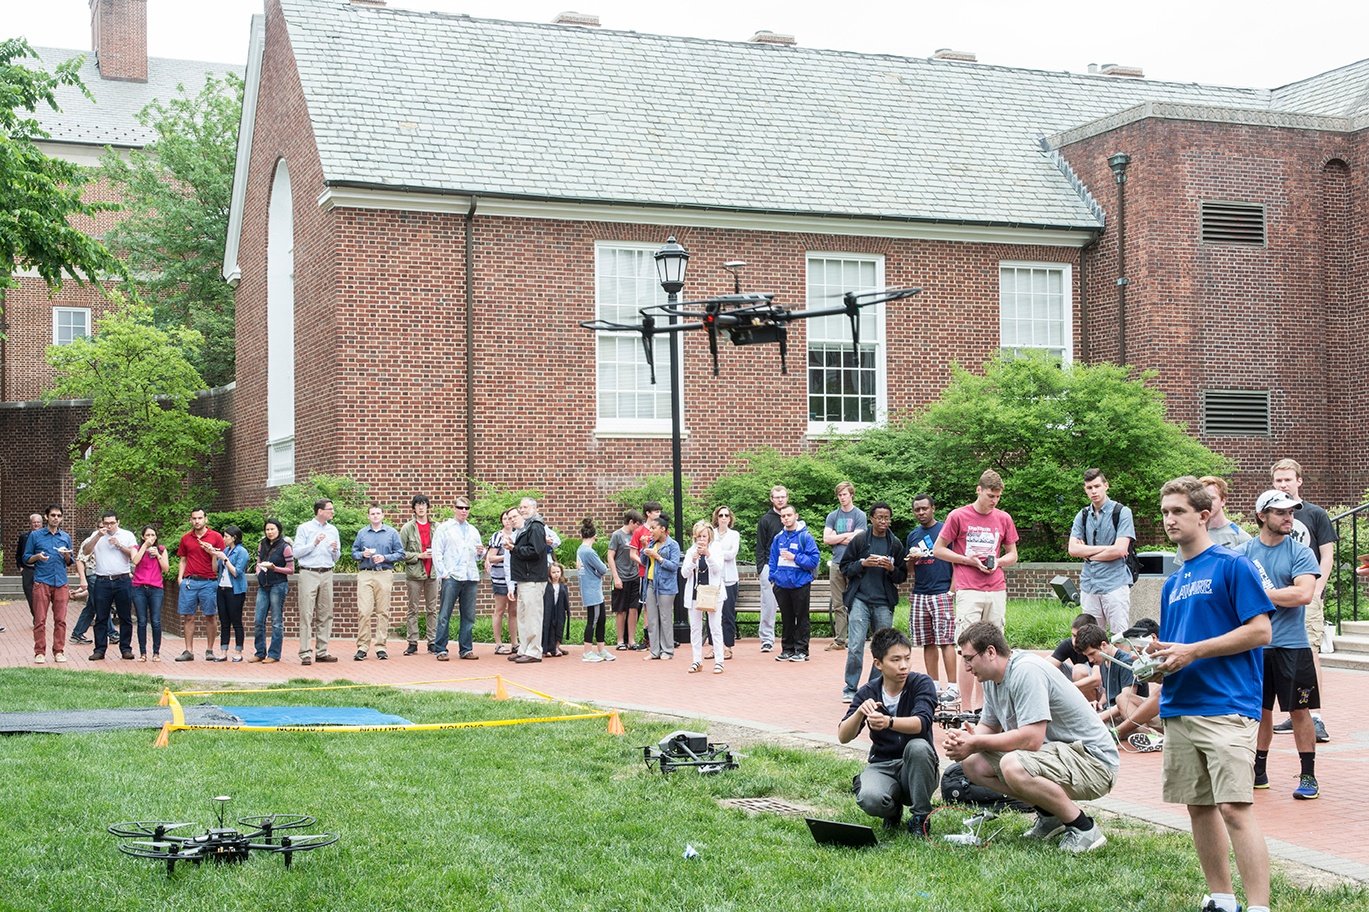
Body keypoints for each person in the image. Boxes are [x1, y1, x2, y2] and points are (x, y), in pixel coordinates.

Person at [1151, 476, 1273, 912]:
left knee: (1235, 809)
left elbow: (1261, 630)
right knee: (1198, 808)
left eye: (1178, 511)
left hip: (1226, 706)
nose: (1169, 520)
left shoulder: (1231, 565)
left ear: (1203, 515)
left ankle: (1258, 906)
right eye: (1165, 512)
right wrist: (1159, 654)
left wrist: (1193, 650)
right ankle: (1222, 899)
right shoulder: (1172, 583)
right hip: (1180, 705)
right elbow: (1180, 643)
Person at [945, 621, 1119, 854]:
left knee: (1013, 765)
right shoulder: (991, 680)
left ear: (990, 652)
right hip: (1060, 755)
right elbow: (988, 726)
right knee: (974, 764)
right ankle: (1051, 817)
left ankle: (1084, 829)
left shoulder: (1026, 670)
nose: (966, 667)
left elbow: (1031, 739)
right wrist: (966, 741)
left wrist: (976, 742)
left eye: (969, 658)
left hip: (1094, 763)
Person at [1239, 490, 1322, 800]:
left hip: (1292, 646)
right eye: (1281, 512)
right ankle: (1258, 771)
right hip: (1254, 646)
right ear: (1262, 516)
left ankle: (1309, 776)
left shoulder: (1301, 553)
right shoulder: (1243, 552)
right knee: (1258, 711)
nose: (1289, 517)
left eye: (1292, 512)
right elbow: (1231, 597)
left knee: (1300, 711)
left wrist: (1256, 594)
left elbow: (1302, 595)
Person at [838, 627, 939, 835]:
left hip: (918, 767)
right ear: (878, 664)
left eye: (907, 658)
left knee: (918, 747)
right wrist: (859, 714)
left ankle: (921, 818)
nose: (904, 666)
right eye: (895, 660)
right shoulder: (868, 691)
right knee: (869, 798)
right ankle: (892, 812)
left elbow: (922, 722)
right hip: (882, 764)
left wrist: (888, 722)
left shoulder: (921, 683)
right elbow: (843, 736)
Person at [933, 469, 1019, 708]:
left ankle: (986, 707)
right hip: (969, 588)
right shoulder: (958, 516)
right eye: (990, 495)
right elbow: (939, 550)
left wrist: (998, 561)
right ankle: (967, 708)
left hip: (996, 587)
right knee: (968, 649)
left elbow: (1013, 554)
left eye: (998, 497)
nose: (994, 501)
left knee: (993, 650)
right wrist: (968, 560)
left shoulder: (1003, 518)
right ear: (978, 490)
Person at [1269, 458, 1336, 744]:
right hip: (1276, 599)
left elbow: (1327, 554)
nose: (1284, 484)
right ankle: (1294, 710)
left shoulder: (1314, 514)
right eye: (1279, 480)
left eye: (1288, 480)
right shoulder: (1270, 513)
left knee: (1308, 652)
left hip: (1305, 595)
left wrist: (1317, 589)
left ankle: (1316, 716)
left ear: (1299, 481)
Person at [839, 502, 906, 701]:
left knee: (883, 648)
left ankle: (874, 687)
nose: (883, 521)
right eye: (879, 517)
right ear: (871, 519)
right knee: (856, 645)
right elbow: (845, 567)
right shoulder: (860, 540)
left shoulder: (895, 544)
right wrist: (862, 564)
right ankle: (850, 688)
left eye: (886, 518)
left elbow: (902, 575)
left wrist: (891, 569)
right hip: (860, 598)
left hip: (884, 601)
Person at [1067, 468, 1136, 634]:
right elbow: (1073, 549)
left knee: (1120, 637)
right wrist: (1106, 549)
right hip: (1089, 585)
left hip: (1115, 583)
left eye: (1097, 486)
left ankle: (1120, 662)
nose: (1094, 491)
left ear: (1106, 486)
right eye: (1089, 488)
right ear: (1085, 490)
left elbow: (1120, 550)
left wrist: (1087, 553)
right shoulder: (1082, 515)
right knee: (1091, 639)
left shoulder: (1122, 512)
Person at [905, 494, 956, 700]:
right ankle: (933, 685)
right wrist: (911, 559)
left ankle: (953, 687)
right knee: (927, 641)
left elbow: (956, 563)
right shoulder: (913, 535)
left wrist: (952, 591)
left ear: (933, 508)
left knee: (946, 641)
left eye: (924, 508)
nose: (921, 513)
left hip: (942, 591)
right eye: (917, 510)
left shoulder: (945, 531)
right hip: (920, 593)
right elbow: (909, 569)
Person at [81, 511, 138, 661]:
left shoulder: (127, 535)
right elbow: (86, 552)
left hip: (123, 579)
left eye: (112, 523)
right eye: (106, 523)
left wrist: (119, 545)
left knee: (125, 616)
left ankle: (126, 649)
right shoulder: (96, 535)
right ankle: (99, 649)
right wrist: (98, 536)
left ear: (118, 522)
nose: (109, 526)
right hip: (102, 580)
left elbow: (133, 555)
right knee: (101, 617)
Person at [432, 497, 483, 662]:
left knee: (468, 615)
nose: (464, 511)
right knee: (445, 614)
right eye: (460, 507)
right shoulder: (445, 528)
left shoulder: (473, 530)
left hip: (470, 576)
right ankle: (440, 648)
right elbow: (437, 552)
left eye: (467, 508)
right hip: (452, 576)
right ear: (454, 508)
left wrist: (480, 553)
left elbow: (478, 556)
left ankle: (466, 649)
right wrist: (444, 573)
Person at [352, 504, 405, 661]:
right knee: (364, 611)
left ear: (382, 516)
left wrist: (385, 557)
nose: (375, 516)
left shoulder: (391, 533)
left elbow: (401, 553)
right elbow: (353, 553)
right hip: (365, 574)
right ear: (368, 516)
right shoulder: (362, 533)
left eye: (378, 513)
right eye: (372, 514)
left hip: (384, 573)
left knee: (383, 612)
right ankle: (362, 646)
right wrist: (363, 553)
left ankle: (381, 646)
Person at [23, 503, 74, 663]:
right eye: (53, 515)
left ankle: (58, 651)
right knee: (40, 619)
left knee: (61, 619)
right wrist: (38, 557)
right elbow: (26, 558)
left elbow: (69, 561)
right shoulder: (36, 536)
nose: (56, 518)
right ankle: (40, 652)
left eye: (59, 516)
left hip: (60, 581)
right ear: (47, 517)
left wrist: (66, 555)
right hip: (42, 581)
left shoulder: (65, 537)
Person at [769, 504, 820, 663]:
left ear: (796, 516)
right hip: (782, 585)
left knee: (802, 618)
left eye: (789, 515)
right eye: (783, 516)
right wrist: (773, 578)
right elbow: (772, 559)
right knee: (786, 618)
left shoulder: (805, 537)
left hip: (800, 584)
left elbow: (814, 560)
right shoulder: (778, 538)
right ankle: (787, 649)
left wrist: (795, 557)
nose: (786, 518)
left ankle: (802, 650)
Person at [293, 499, 341, 665]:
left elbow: (337, 557)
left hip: (327, 572)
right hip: (309, 573)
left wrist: (335, 550)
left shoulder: (333, 530)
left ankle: (322, 651)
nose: (332, 512)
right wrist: (314, 543)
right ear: (320, 511)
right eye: (330, 509)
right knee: (306, 613)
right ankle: (305, 653)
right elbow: (297, 552)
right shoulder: (305, 528)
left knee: (326, 613)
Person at [175, 507, 225, 663]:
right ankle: (188, 651)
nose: (197, 521)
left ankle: (209, 650)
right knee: (188, 617)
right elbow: (183, 559)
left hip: (209, 582)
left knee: (210, 616)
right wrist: (180, 578)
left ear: (206, 519)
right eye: (194, 518)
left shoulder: (216, 537)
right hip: (190, 581)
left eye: (200, 518)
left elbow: (222, 558)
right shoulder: (186, 538)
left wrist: (212, 552)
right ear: (191, 520)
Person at [822, 481, 867, 651]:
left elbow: (858, 540)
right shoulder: (833, 516)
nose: (842, 498)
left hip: (854, 563)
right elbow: (826, 539)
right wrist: (848, 536)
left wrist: (838, 536)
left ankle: (856, 638)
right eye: (840, 495)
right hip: (836, 563)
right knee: (838, 603)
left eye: (845, 494)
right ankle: (840, 640)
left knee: (856, 601)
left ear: (851, 495)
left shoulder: (860, 515)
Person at [509, 497, 552, 664]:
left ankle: (534, 651)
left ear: (534, 508)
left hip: (532, 578)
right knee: (523, 615)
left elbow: (535, 551)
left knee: (532, 616)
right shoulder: (528, 526)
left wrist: (515, 548)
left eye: (525, 507)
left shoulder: (536, 527)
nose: (522, 510)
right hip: (524, 577)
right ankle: (524, 649)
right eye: (521, 507)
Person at [682, 520, 726, 675]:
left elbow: (718, 570)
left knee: (715, 627)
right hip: (695, 593)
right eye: (698, 536)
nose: (701, 539)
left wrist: (708, 555)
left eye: (704, 536)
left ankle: (719, 661)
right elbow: (684, 573)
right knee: (695, 628)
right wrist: (693, 561)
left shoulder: (716, 549)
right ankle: (696, 660)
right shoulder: (690, 551)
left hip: (712, 593)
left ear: (709, 537)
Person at [399, 495, 440, 656]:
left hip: (433, 572)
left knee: (432, 609)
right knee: (413, 608)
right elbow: (400, 552)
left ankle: (432, 641)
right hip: (415, 573)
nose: (421, 508)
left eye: (423, 504)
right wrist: (418, 556)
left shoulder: (436, 526)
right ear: (414, 508)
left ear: (428, 507)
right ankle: (412, 642)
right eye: (418, 505)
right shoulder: (407, 528)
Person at [250, 519, 293, 664]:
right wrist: (258, 570)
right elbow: (258, 561)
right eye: (267, 529)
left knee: (276, 621)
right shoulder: (262, 544)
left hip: (278, 585)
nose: (269, 532)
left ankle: (274, 654)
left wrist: (275, 568)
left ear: (279, 530)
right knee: (258, 620)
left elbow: (291, 569)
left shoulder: (285, 547)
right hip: (263, 585)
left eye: (272, 529)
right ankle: (260, 652)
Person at [640, 513, 681, 660]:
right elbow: (643, 561)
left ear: (662, 529)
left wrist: (658, 557)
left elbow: (674, 566)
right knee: (652, 618)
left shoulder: (673, 545)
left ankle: (667, 650)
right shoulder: (651, 543)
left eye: (653, 528)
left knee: (665, 618)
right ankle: (654, 651)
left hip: (666, 586)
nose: (650, 531)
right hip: (651, 584)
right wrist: (644, 547)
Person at [754, 486, 788, 653]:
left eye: (782, 497)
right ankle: (767, 639)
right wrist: (761, 569)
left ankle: (792, 638)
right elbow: (760, 546)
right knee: (768, 604)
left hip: (789, 568)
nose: (780, 499)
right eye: (777, 497)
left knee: (791, 604)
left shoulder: (792, 518)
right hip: (770, 566)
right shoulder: (766, 520)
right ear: (772, 499)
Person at [212, 525, 251, 662]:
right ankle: (223, 651)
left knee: (236, 621)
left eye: (226, 536)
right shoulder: (226, 550)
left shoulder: (242, 552)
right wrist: (214, 555)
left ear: (234, 537)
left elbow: (237, 572)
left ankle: (238, 651)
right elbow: (215, 569)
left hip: (235, 590)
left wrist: (225, 559)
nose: (224, 539)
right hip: (221, 588)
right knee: (224, 621)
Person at [577, 519, 614, 663]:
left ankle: (601, 649)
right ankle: (587, 652)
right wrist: (599, 572)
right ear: (595, 535)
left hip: (591, 589)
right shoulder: (589, 551)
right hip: (592, 590)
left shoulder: (581, 549)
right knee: (593, 621)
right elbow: (603, 569)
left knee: (601, 619)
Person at [130, 526, 169, 662]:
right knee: (141, 621)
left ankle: (156, 652)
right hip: (139, 587)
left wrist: (157, 555)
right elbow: (135, 561)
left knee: (156, 621)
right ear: (142, 537)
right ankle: (142, 653)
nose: (150, 537)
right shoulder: (136, 547)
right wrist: (144, 547)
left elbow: (166, 568)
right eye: (147, 535)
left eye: (153, 535)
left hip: (156, 588)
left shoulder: (162, 549)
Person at [607, 510, 643, 651]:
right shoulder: (617, 535)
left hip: (634, 575)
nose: (639, 528)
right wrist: (616, 577)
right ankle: (620, 640)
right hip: (621, 576)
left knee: (633, 608)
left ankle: (631, 640)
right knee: (620, 610)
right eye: (637, 524)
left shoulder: (637, 536)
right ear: (631, 522)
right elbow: (610, 556)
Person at [486, 508, 519, 655]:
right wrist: (505, 556)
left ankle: (515, 643)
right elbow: (490, 557)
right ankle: (498, 644)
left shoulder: (518, 534)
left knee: (514, 611)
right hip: (500, 578)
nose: (508, 521)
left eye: (510, 518)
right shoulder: (497, 536)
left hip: (515, 577)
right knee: (499, 609)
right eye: (505, 519)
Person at [629, 501, 662, 648]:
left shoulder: (661, 529)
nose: (658, 514)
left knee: (659, 603)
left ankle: (659, 635)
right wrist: (643, 562)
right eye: (655, 511)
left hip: (659, 572)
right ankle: (647, 636)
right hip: (645, 573)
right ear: (648, 513)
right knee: (647, 604)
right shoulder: (639, 531)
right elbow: (632, 553)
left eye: (659, 511)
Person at [710, 505, 741, 660]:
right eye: (720, 515)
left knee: (728, 614)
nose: (723, 518)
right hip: (713, 578)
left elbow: (732, 554)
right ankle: (713, 647)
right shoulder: (711, 533)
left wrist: (716, 553)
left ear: (730, 518)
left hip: (729, 578)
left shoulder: (734, 535)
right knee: (711, 611)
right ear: (716, 517)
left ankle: (728, 646)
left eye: (726, 515)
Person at [17, 513, 42, 619]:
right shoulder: (24, 537)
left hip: (41, 570)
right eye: (34, 522)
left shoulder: (46, 537)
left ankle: (39, 618)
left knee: (40, 596)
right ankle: (36, 616)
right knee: (29, 595)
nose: (36, 524)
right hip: (27, 570)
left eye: (38, 522)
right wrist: (20, 567)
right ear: (30, 524)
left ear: (41, 523)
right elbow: (19, 553)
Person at [542, 562, 570, 657]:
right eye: (553, 572)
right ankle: (547, 649)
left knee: (559, 627)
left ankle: (557, 648)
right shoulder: (547, 585)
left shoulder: (563, 585)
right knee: (548, 628)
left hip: (560, 610)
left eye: (558, 572)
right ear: (549, 573)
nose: (556, 574)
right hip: (549, 610)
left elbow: (566, 598)